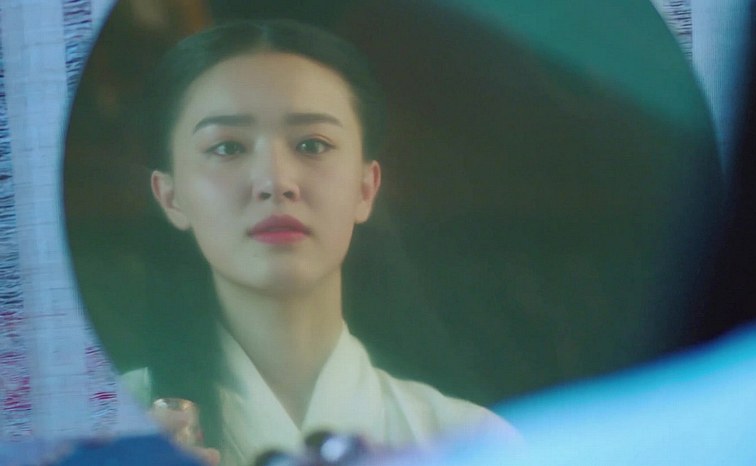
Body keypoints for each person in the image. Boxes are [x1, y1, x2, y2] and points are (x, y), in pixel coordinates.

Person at [119, 18, 510, 466]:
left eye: (312, 145)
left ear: (366, 187)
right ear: (170, 196)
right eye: (227, 148)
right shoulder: (107, 430)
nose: (275, 181)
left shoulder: (471, 442)